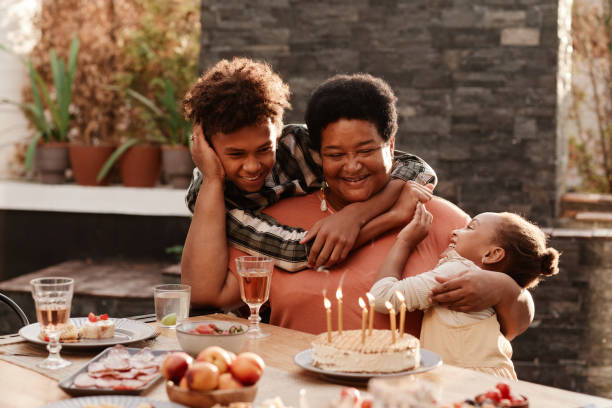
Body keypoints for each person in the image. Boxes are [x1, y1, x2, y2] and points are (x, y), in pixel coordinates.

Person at [184, 73, 534, 338]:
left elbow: (515, 326)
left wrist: (505, 291)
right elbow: (207, 296)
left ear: (391, 144)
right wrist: (212, 179)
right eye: (335, 154)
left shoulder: (444, 221)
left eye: (366, 151)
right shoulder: (274, 221)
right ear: (318, 155)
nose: (352, 166)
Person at [182, 57, 436, 272]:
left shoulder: (298, 148)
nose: (252, 166)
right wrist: (391, 217)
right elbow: (296, 251)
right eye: (236, 155)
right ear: (206, 148)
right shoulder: (211, 197)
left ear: (277, 134)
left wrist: (357, 213)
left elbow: (415, 167)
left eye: (264, 150)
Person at [370, 203, 560, 379]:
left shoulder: (457, 272)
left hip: (466, 382)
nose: (454, 231)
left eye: (470, 227)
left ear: (492, 254)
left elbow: (382, 297)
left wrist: (404, 241)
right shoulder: (483, 286)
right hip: (490, 379)